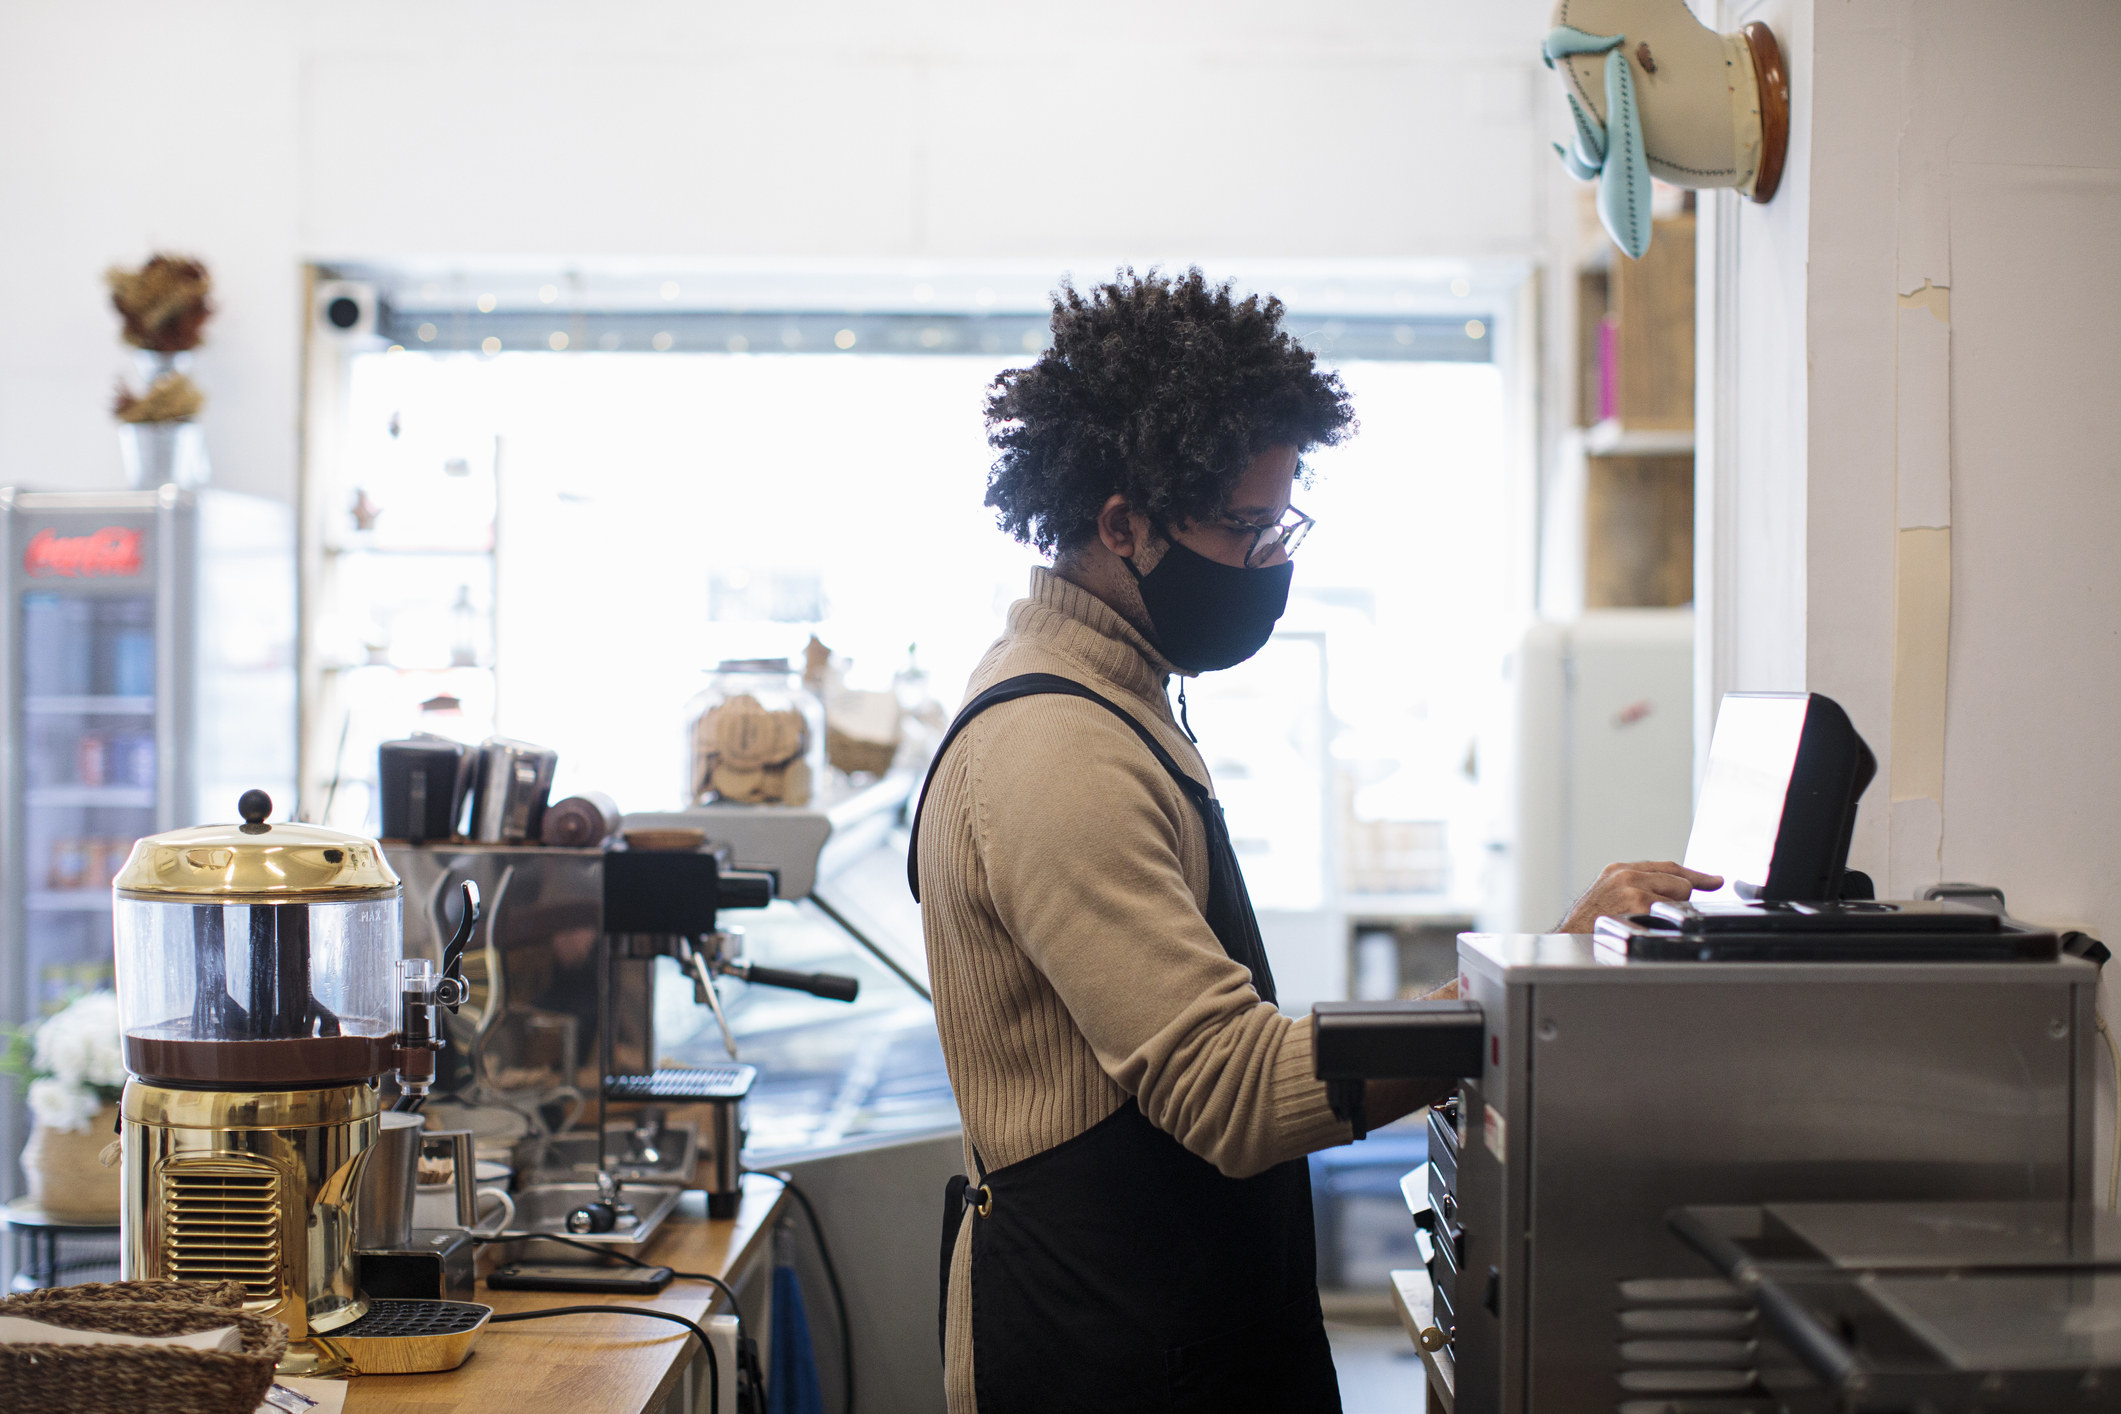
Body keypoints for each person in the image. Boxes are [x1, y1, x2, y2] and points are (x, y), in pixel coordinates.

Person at [910, 268, 1719, 1414]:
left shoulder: (1119, 698)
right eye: (1246, 529)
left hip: (1171, 1319)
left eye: (1282, 521)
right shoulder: (1056, 749)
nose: (1272, 563)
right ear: (1121, 526)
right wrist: (1535, 984)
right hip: (1106, 1352)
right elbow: (1232, 1093)